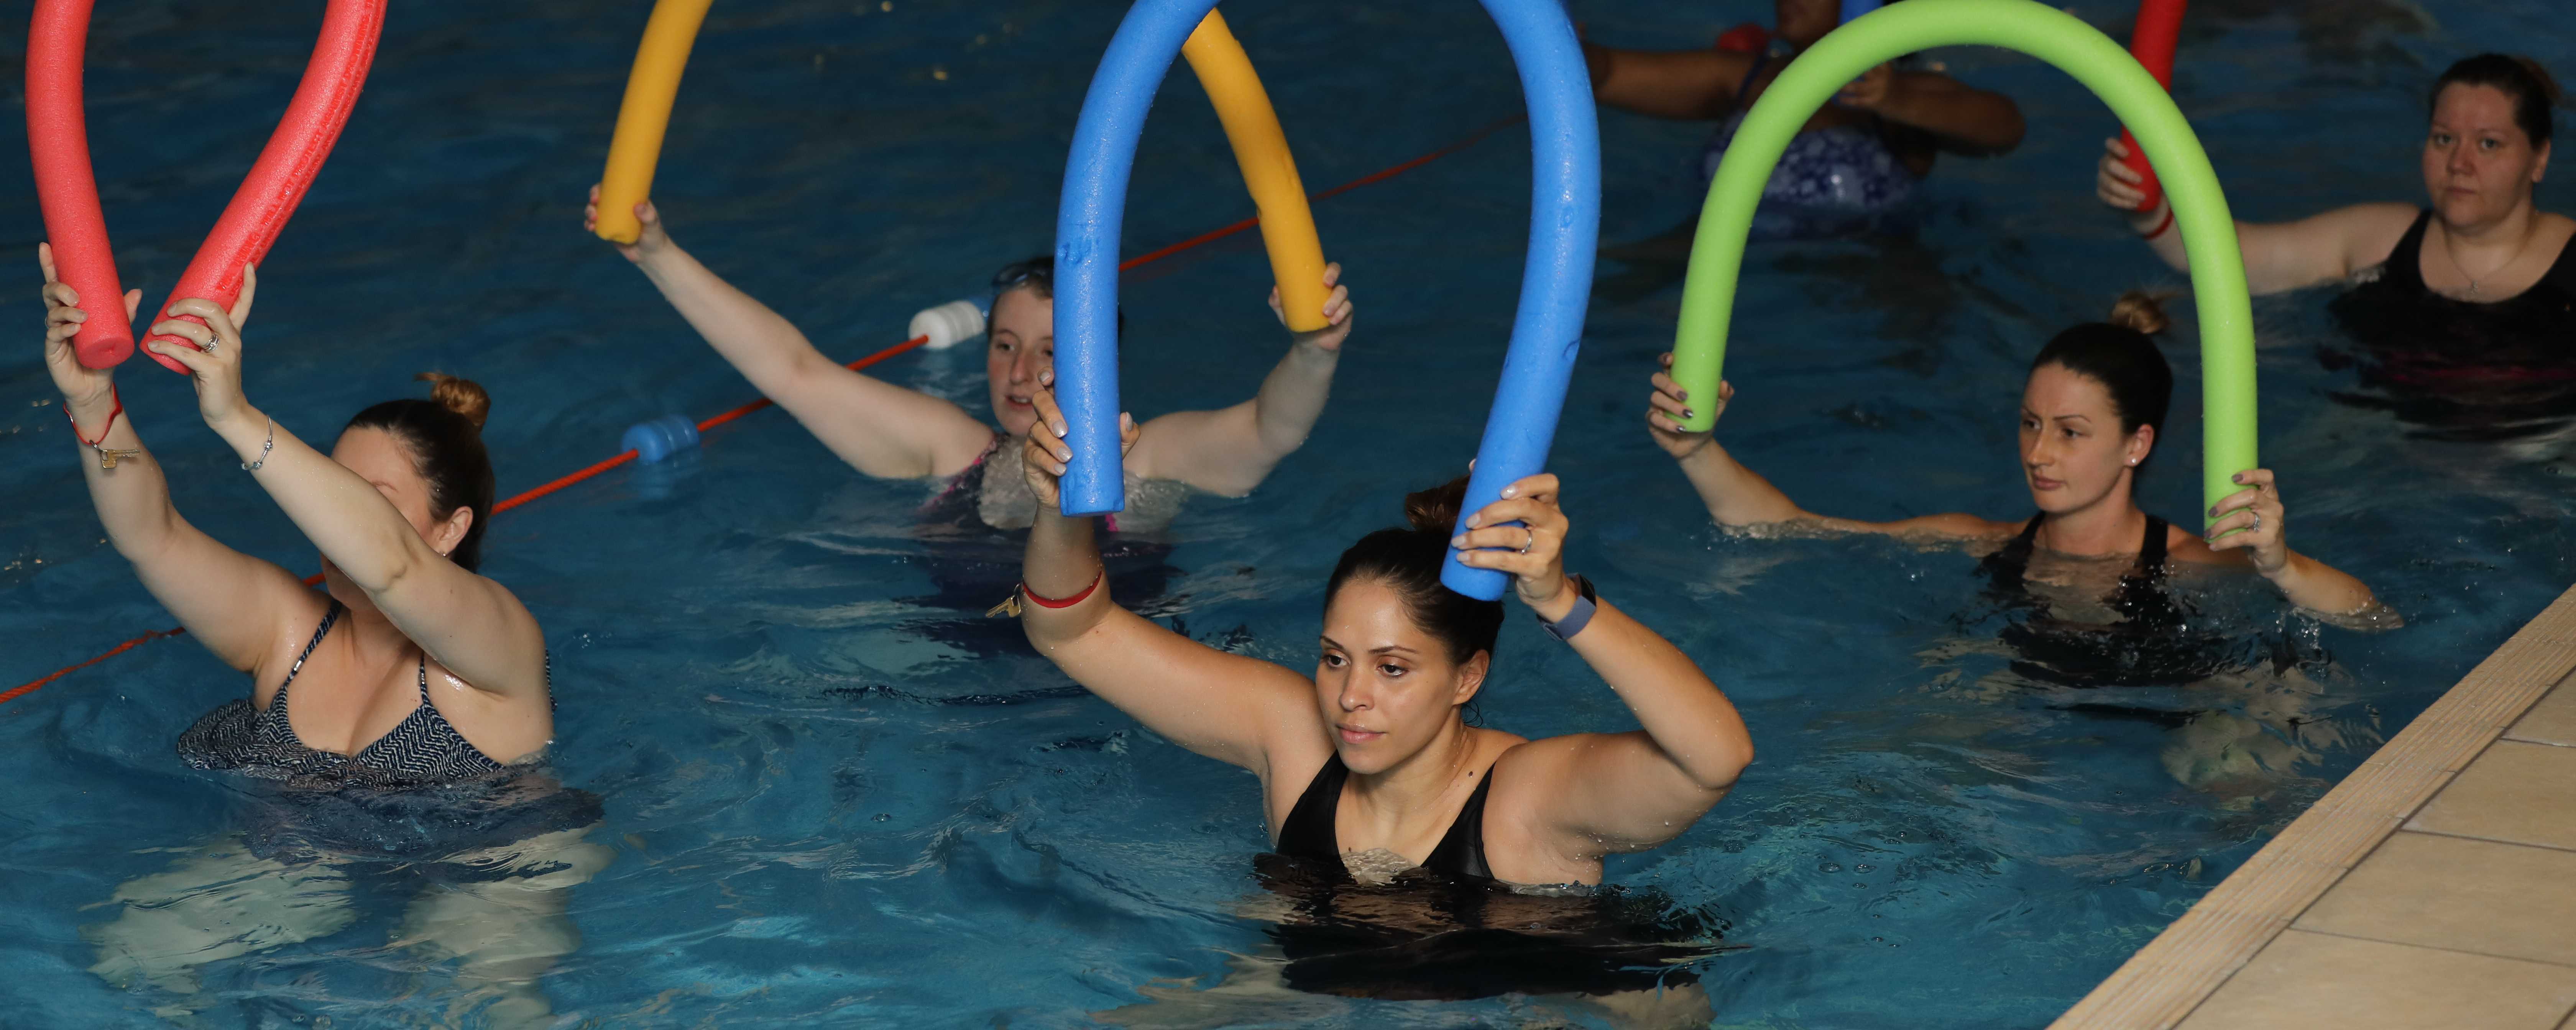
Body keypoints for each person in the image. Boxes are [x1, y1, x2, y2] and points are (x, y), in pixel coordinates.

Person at [1007, 377, 1753, 1013]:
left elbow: (1716, 758)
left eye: (1393, 668)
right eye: (1336, 659)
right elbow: (1074, 632)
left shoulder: (1526, 801)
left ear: (1468, 677)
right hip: (1330, 978)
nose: (1350, 698)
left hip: (1573, 994)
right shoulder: (1293, 737)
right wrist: (1058, 506)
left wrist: (1561, 601)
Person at [41, 247, 605, 1027]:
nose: (325, 517)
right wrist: (92, 399)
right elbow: (151, 537)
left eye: (360, 499)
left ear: (450, 530)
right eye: (324, 486)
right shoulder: (287, 631)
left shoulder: (496, 641)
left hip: (492, 860)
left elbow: (394, 571)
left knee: (483, 1004)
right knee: (134, 950)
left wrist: (234, 416)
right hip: (312, 852)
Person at [583, 190, 1355, 537]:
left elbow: (1269, 428)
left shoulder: (1149, 456)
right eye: (1005, 346)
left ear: (1102, 367)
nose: (1020, 376)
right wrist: (656, 255)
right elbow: (794, 372)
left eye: (1052, 354)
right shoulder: (953, 451)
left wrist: (1312, 353)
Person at [1646, 293, 2388, 651]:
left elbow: (2371, 616)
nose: (2039, 452)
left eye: (2071, 432)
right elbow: (1790, 528)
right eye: (2031, 424)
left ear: (2137, 445)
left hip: (2180, 706)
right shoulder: (1983, 541)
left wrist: (2282, 564)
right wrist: (1698, 452)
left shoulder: (2194, 563)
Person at [2099, 56, 2574, 439]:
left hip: (2543, 456)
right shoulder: (2380, 238)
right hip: (2379, 445)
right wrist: (2150, 209)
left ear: (2539, 158)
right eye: (2444, 139)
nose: (2459, 163)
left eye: (2489, 144)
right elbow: (2232, 260)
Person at [1583, 0, 2024, 239]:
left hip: (1866, 266)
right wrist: (1562, 39)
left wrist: (1896, 99)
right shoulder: (1748, 79)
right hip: (1725, 258)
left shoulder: (1904, 95)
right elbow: (1605, 75)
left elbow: (2006, 129)